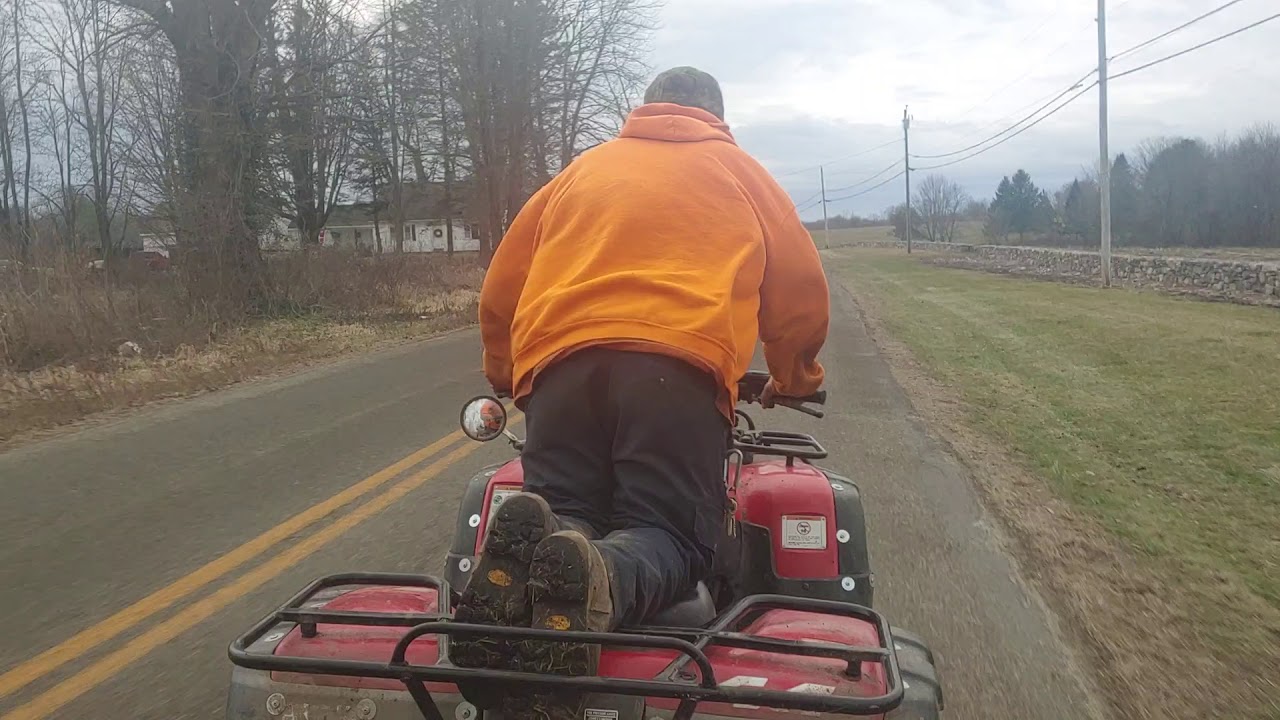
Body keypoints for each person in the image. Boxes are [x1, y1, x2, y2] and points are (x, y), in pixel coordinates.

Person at [455, 66, 830, 720]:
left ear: (647, 109)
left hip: (560, 369)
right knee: (670, 535)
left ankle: (535, 570)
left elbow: (502, 289)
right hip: (675, 370)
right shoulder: (737, 169)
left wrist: (509, 377)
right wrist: (794, 378)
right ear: (719, 117)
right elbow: (797, 288)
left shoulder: (583, 170)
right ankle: (602, 580)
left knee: (563, 508)